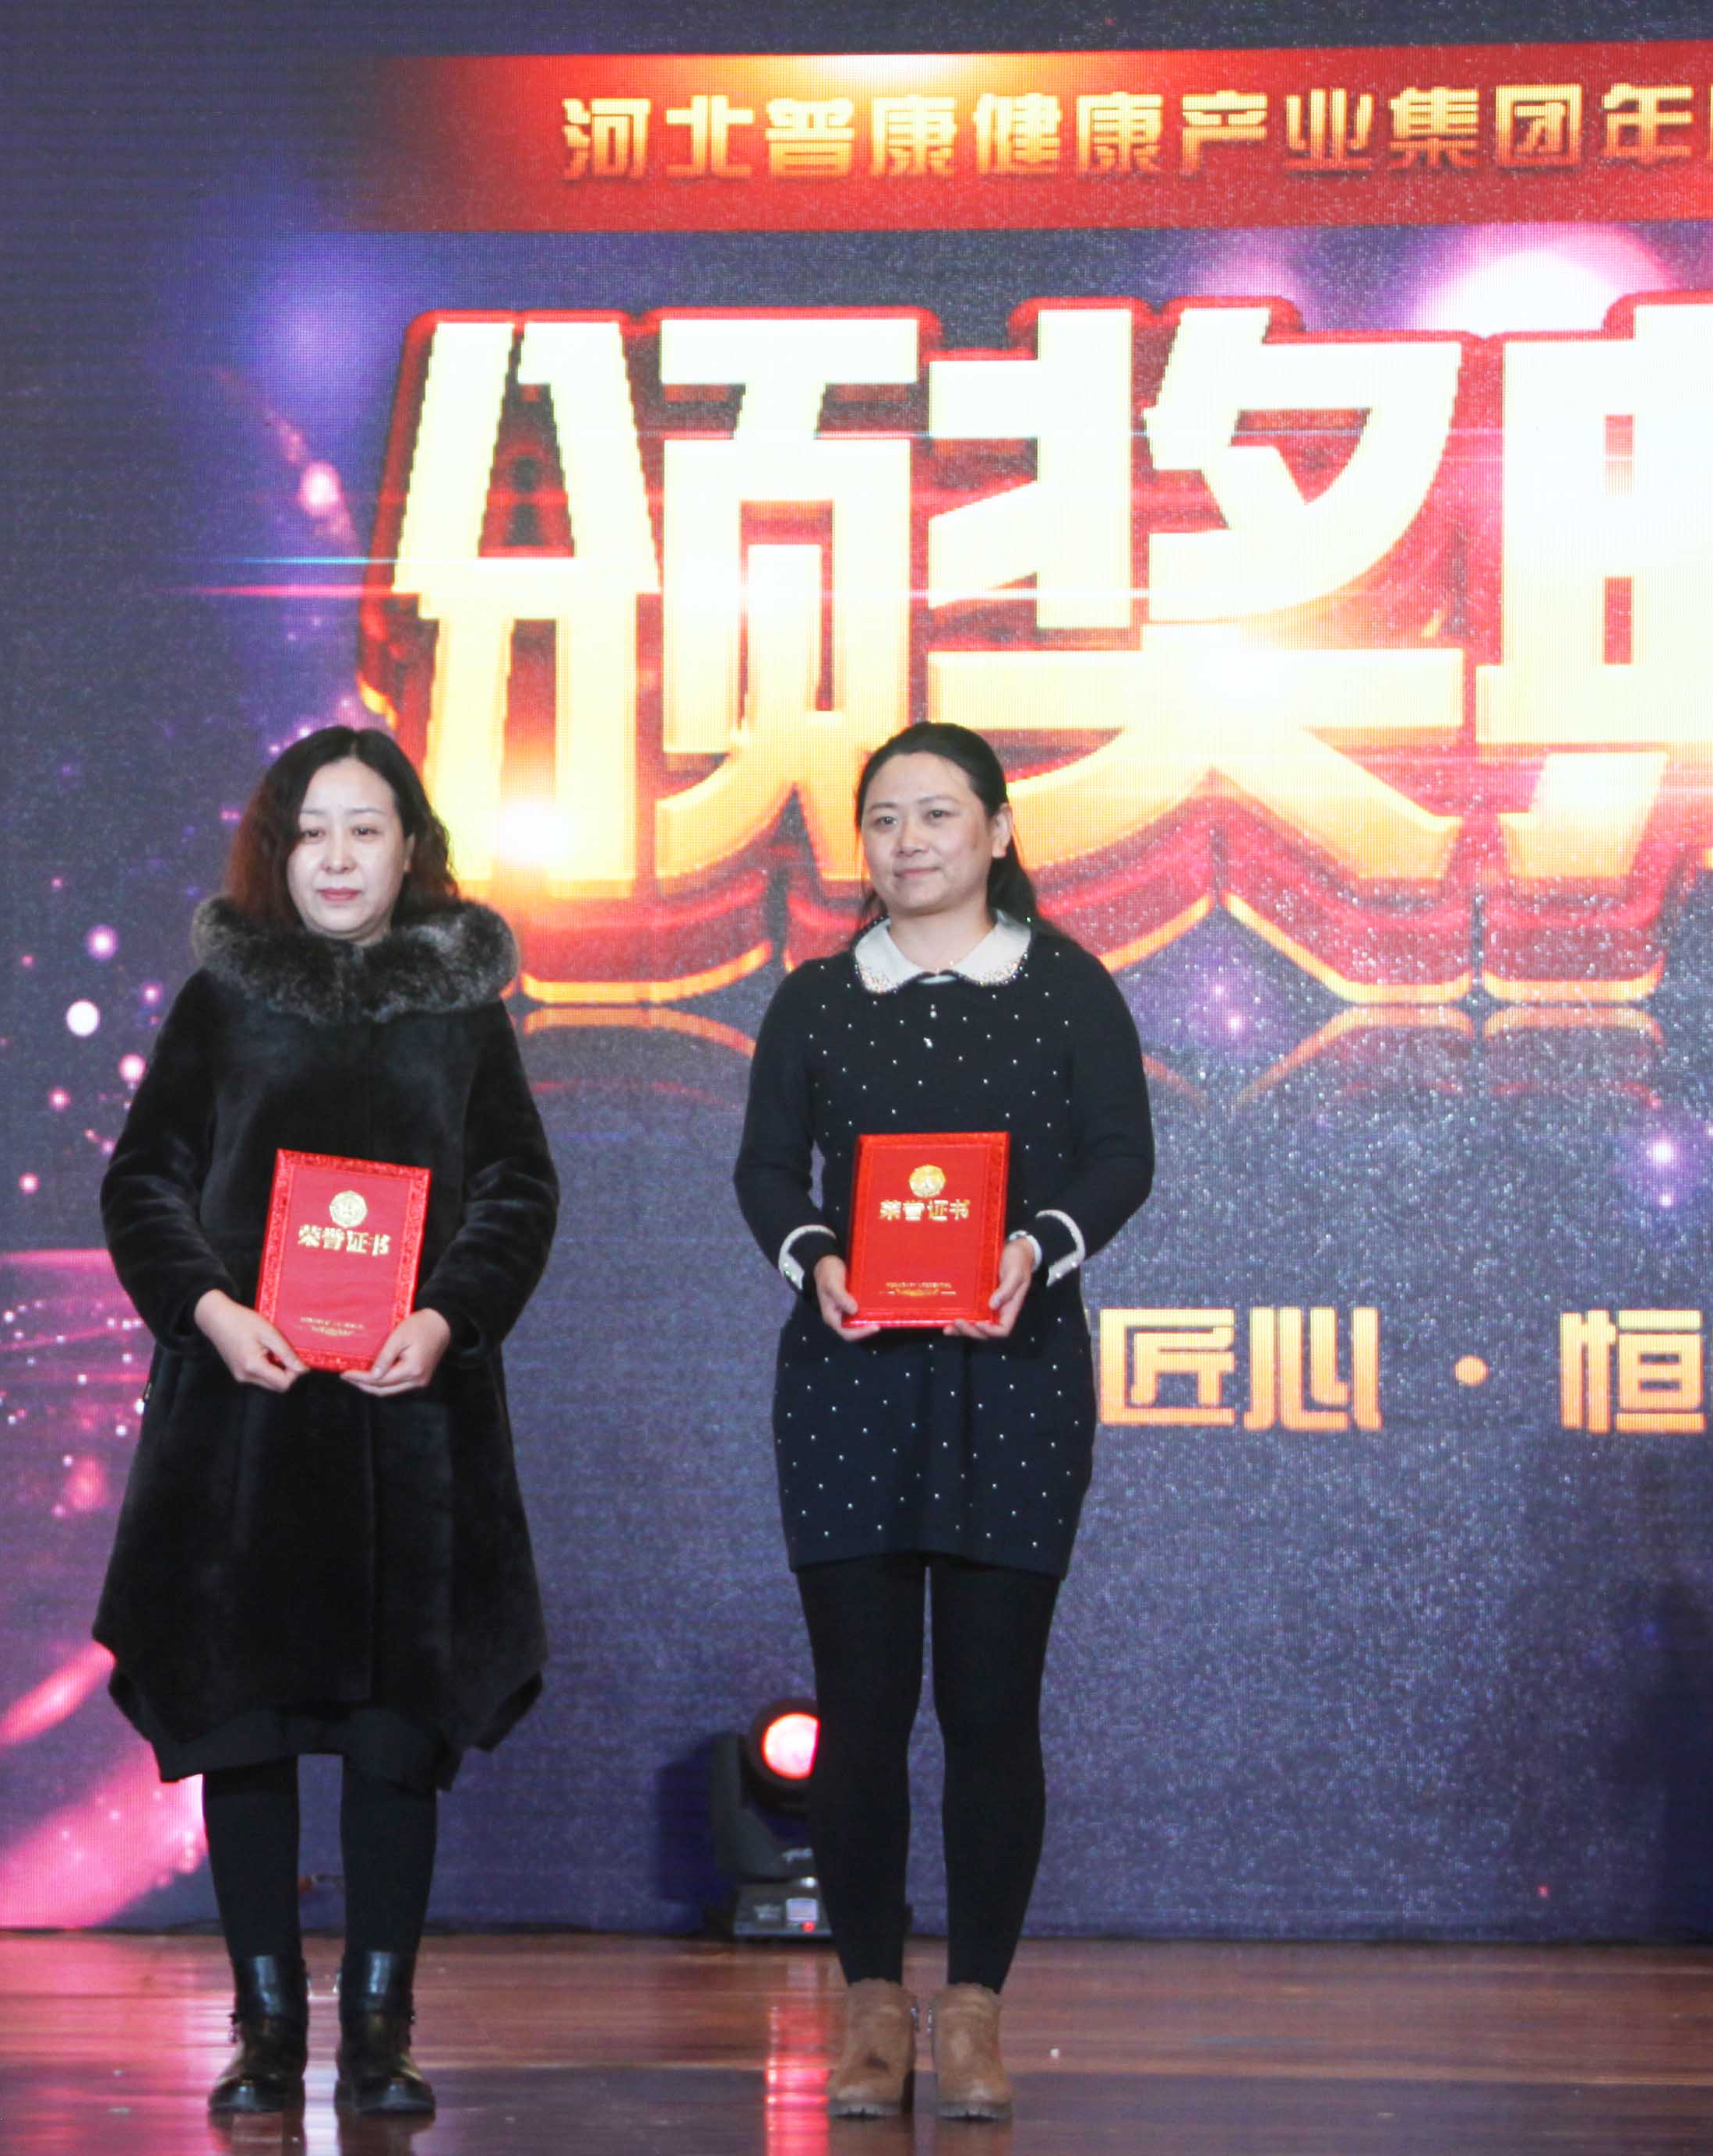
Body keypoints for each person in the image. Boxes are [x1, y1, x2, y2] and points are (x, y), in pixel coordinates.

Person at [92, 726, 555, 2119]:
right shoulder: (222, 1001)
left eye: (366, 830)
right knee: (241, 1728)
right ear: (275, 852)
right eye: (311, 832)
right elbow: (143, 1183)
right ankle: (265, 2030)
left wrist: (449, 1317)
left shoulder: (463, 1008)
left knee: (394, 1738)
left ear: (412, 850)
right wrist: (209, 1311)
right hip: (244, 1421)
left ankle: (379, 2032)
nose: (338, 859)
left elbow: (518, 1190)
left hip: (412, 1428)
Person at [729, 721, 1155, 2123]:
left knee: (990, 1710)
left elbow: (1123, 1157)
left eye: (937, 814)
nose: (907, 842)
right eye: (883, 819)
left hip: (1015, 1371)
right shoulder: (816, 999)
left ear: (999, 831)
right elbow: (763, 1169)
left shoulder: (1065, 986)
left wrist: (1038, 1244)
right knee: (859, 1712)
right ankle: (870, 2012)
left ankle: (972, 2011)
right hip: (850, 1376)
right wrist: (815, 1256)